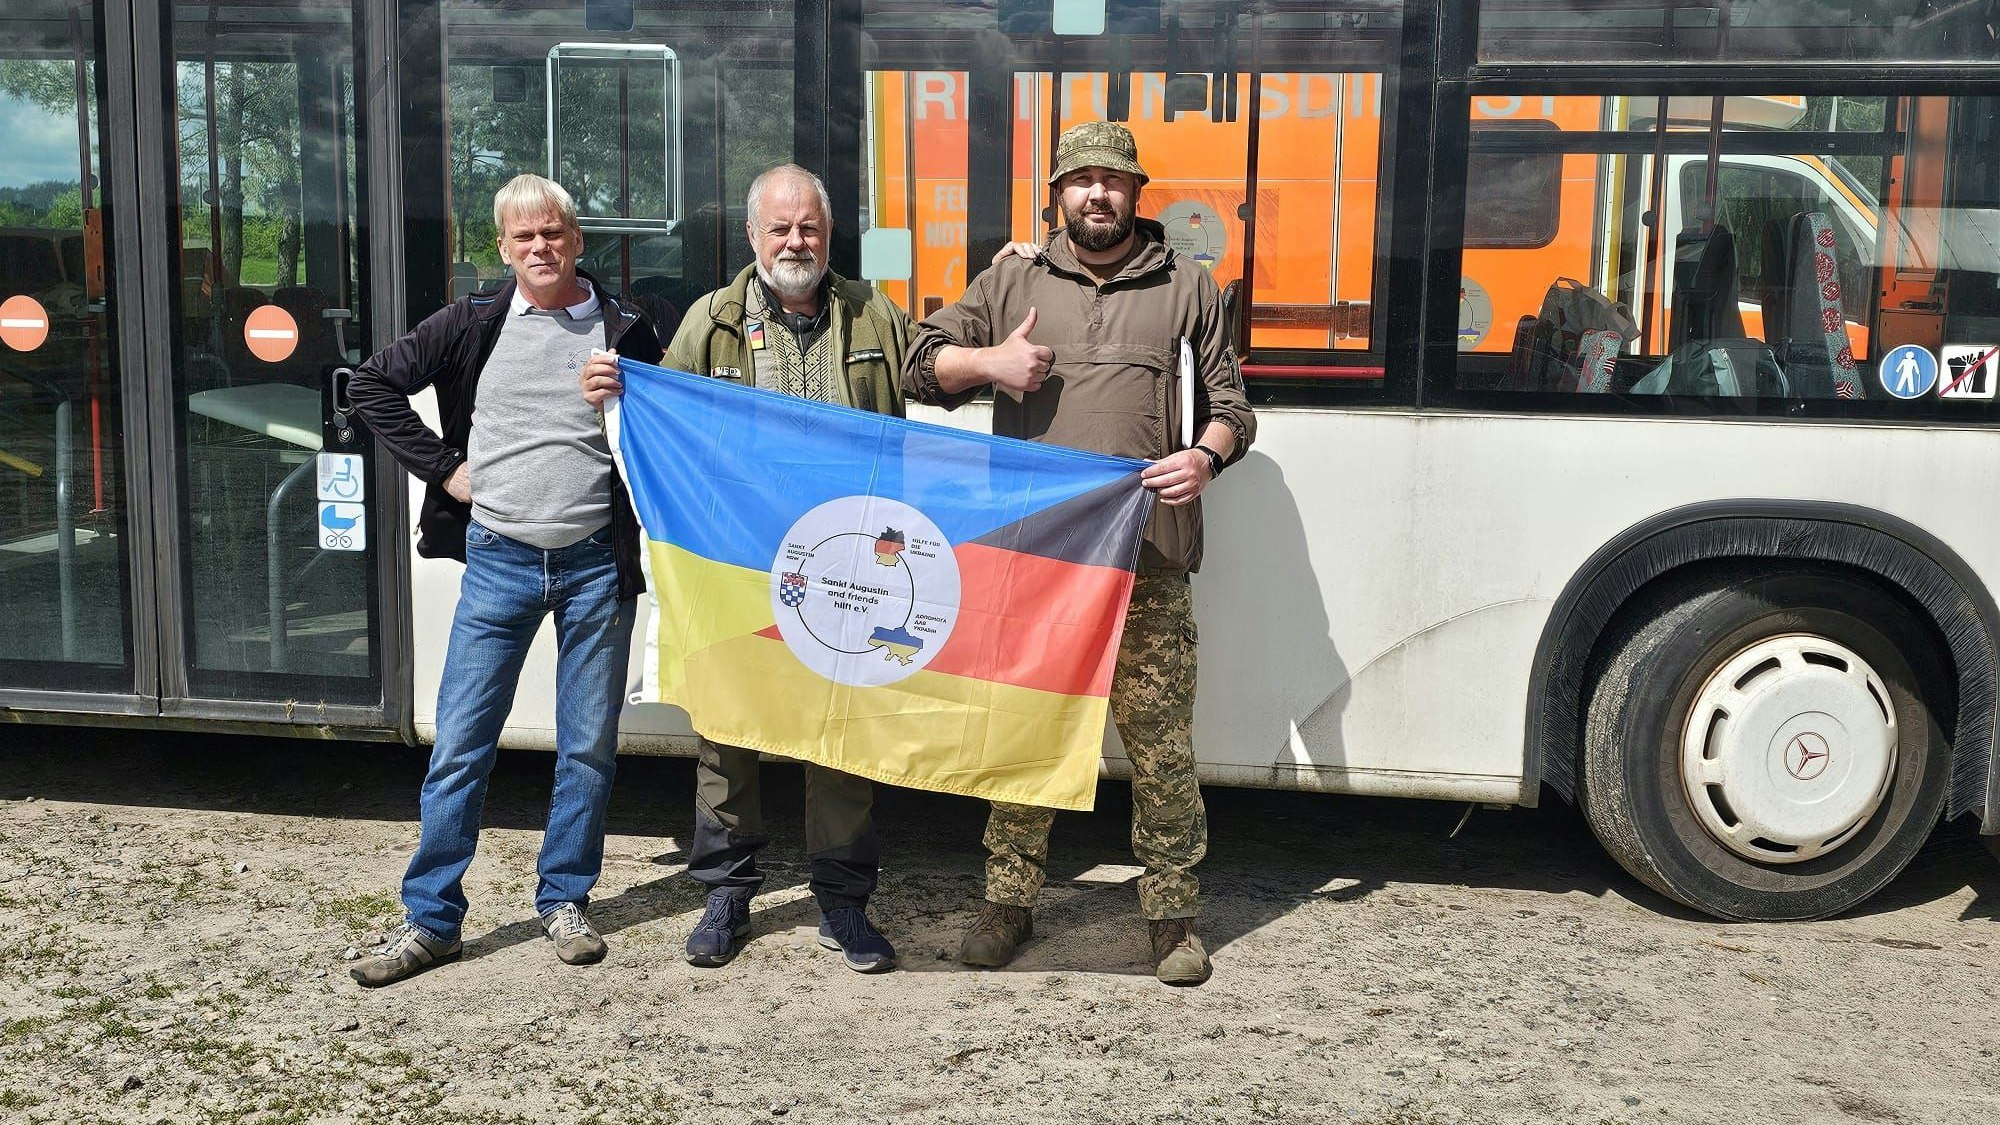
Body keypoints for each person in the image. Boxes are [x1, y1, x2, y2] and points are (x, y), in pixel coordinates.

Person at [901, 122, 1256, 986]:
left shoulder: (1187, 286)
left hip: (1148, 564)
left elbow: (1233, 409)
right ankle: (1008, 903)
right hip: (1040, 564)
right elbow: (917, 364)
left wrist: (1204, 458)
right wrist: (992, 362)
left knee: (1161, 751)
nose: (1098, 193)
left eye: (1114, 179)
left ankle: (1172, 919)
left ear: (1136, 192)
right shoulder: (1012, 279)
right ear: (1057, 194)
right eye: (1081, 179)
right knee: (1026, 734)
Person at [580, 164, 915, 973]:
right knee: (727, 728)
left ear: (828, 235)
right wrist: (616, 391)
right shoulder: (713, 320)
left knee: (840, 729)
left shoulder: (874, 314)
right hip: (737, 563)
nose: (795, 242)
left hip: (845, 564)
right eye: (780, 228)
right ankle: (727, 893)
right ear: (753, 236)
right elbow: (666, 419)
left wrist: (1005, 296)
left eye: (809, 227)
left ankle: (843, 899)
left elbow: (933, 372)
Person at [346, 173, 665, 986]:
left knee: (587, 748)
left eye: (553, 233)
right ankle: (432, 919)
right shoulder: (472, 322)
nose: (540, 247)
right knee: (461, 743)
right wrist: (444, 468)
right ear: (503, 249)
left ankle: (565, 899)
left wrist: (630, 395)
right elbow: (371, 386)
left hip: (596, 566)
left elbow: (667, 429)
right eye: (524, 237)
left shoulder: (627, 329)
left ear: (577, 240)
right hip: (499, 559)